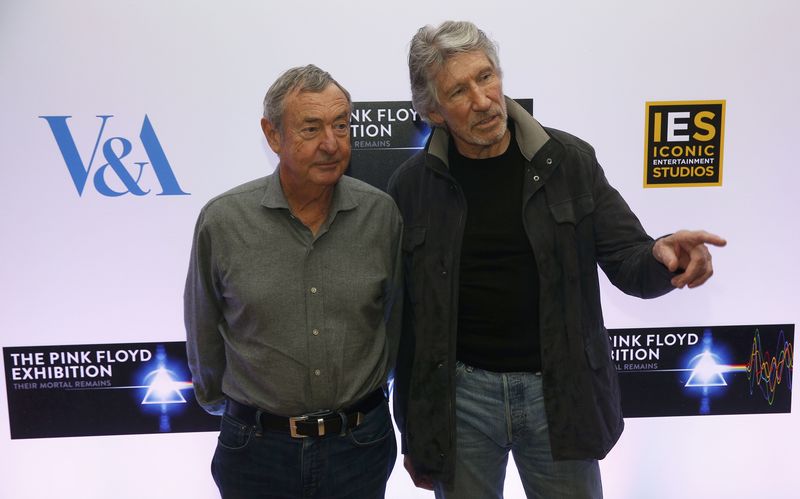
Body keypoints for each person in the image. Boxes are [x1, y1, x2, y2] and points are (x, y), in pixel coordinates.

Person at [387, 21, 726, 499]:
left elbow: (629, 258)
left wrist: (662, 255)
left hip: (559, 393)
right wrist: (415, 430)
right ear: (433, 111)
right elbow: (405, 323)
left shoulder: (569, 162)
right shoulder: (411, 186)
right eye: (459, 90)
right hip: (459, 400)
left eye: (486, 77)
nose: (483, 100)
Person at [184, 64, 402, 499]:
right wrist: (222, 403)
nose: (331, 143)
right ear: (273, 135)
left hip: (360, 447)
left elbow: (395, 323)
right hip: (256, 451)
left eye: (341, 125)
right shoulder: (224, 221)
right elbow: (203, 326)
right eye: (311, 128)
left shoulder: (381, 216)